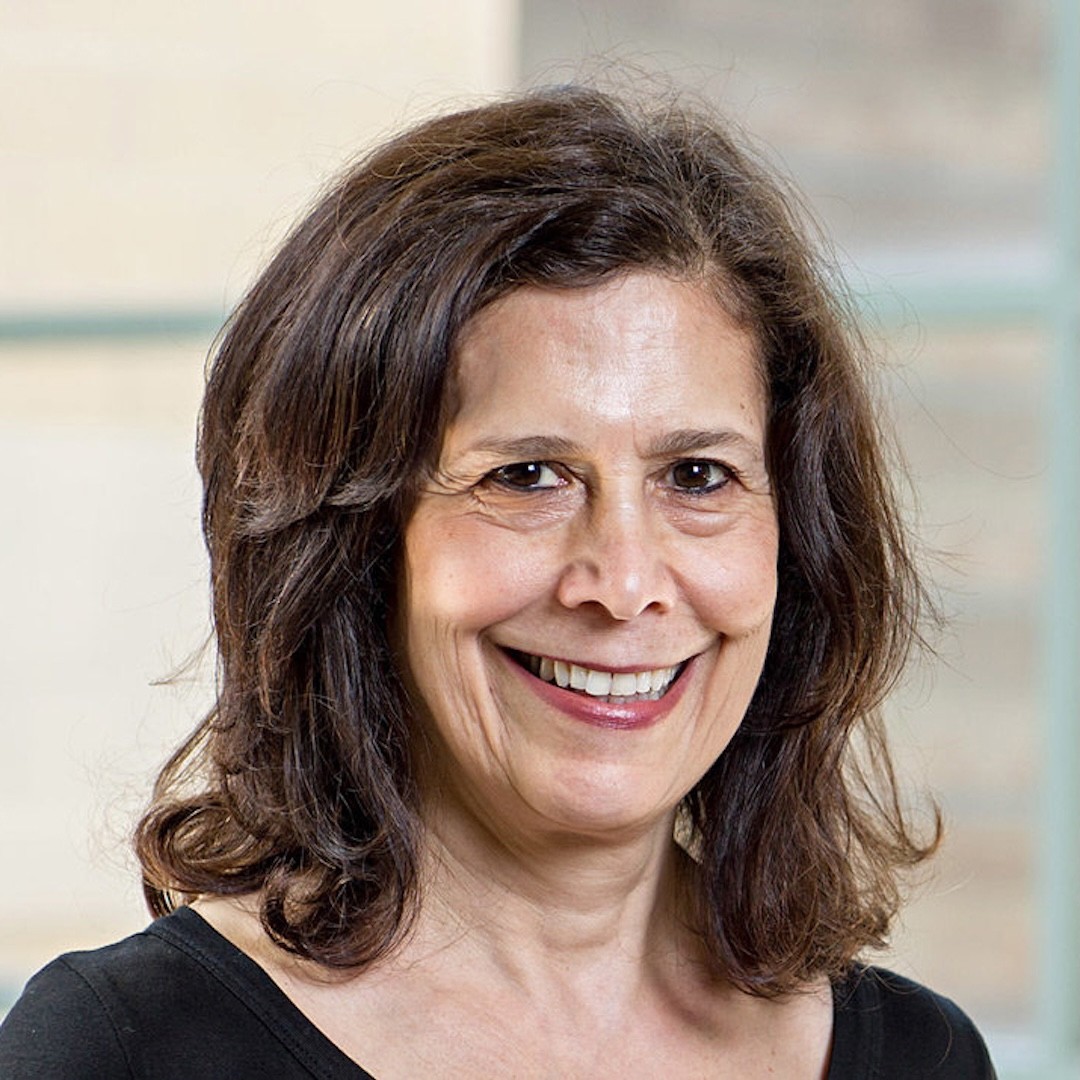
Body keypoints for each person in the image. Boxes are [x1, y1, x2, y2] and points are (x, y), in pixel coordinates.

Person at [0, 85, 997, 1078]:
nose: (624, 582)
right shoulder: (122, 1052)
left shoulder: (920, 1058)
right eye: (525, 476)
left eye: (698, 476)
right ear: (357, 547)